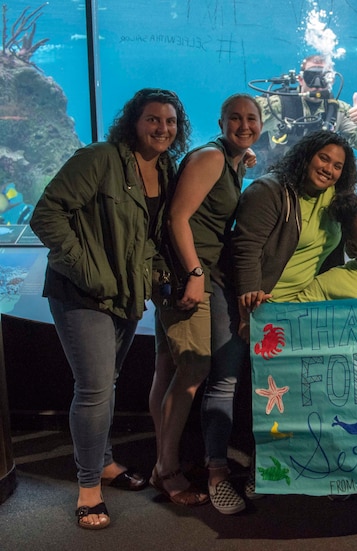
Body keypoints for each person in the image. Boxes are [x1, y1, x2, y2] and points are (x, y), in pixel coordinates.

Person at [30, 88, 190, 530]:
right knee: (95, 388)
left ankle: (102, 462)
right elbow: (46, 215)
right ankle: (87, 487)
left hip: (126, 295)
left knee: (107, 383)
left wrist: (156, 275)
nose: (162, 128)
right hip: (82, 294)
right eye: (153, 120)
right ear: (133, 122)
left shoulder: (166, 168)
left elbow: (154, 236)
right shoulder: (100, 158)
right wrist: (91, 271)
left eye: (170, 122)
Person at [149, 93, 262, 514]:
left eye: (252, 118)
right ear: (220, 121)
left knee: (167, 368)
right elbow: (179, 217)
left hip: (185, 273)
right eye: (235, 118)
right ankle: (169, 469)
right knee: (194, 368)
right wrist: (195, 274)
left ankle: (164, 462)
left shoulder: (229, 160)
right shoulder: (212, 158)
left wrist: (242, 158)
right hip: (191, 276)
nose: (244, 124)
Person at [233, 128, 357, 327]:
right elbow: (246, 250)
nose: (329, 169)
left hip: (305, 307)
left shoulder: (339, 199)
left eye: (337, 166)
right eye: (324, 158)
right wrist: (250, 311)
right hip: (264, 302)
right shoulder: (269, 190)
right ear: (307, 156)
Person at [254, 54, 357, 169]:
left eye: (323, 77)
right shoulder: (277, 105)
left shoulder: (339, 110)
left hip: (320, 180)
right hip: (281, 178)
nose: (317, 84)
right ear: (300, 79)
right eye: (311, 77)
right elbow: (241, 125)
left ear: (332, 80)